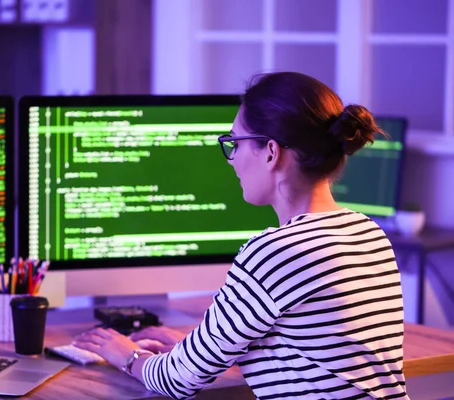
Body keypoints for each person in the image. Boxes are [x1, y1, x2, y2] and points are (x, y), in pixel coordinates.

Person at [74, 71, 408, 400]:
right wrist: (198, 348)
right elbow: (314, 355)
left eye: (235, 143)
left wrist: (125, 354)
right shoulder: (369, 233)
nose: (231, 161)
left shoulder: (277, 251)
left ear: (271, 152)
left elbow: (176, 381)